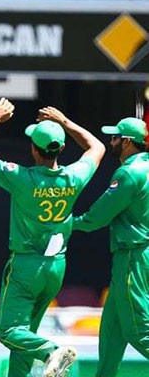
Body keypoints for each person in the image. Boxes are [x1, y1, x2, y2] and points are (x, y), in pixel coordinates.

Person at [0, 99, 105, 377]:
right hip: (56, 267)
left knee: (9, 331)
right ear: (61, 148)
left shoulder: (22, 178)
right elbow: (97, 147)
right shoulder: (74, 176)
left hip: (26, 266)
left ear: (33, 149)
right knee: (25, 337)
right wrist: (65, 122)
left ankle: (51, 351)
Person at [72, 117, 149, 377]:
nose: (111, 142)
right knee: (112, 334)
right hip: (139, 254)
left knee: (139, 331)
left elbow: (98, 217)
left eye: (115, 137)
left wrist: (66, 224)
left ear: (127, 142)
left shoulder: (128, 173)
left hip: (132, 256)